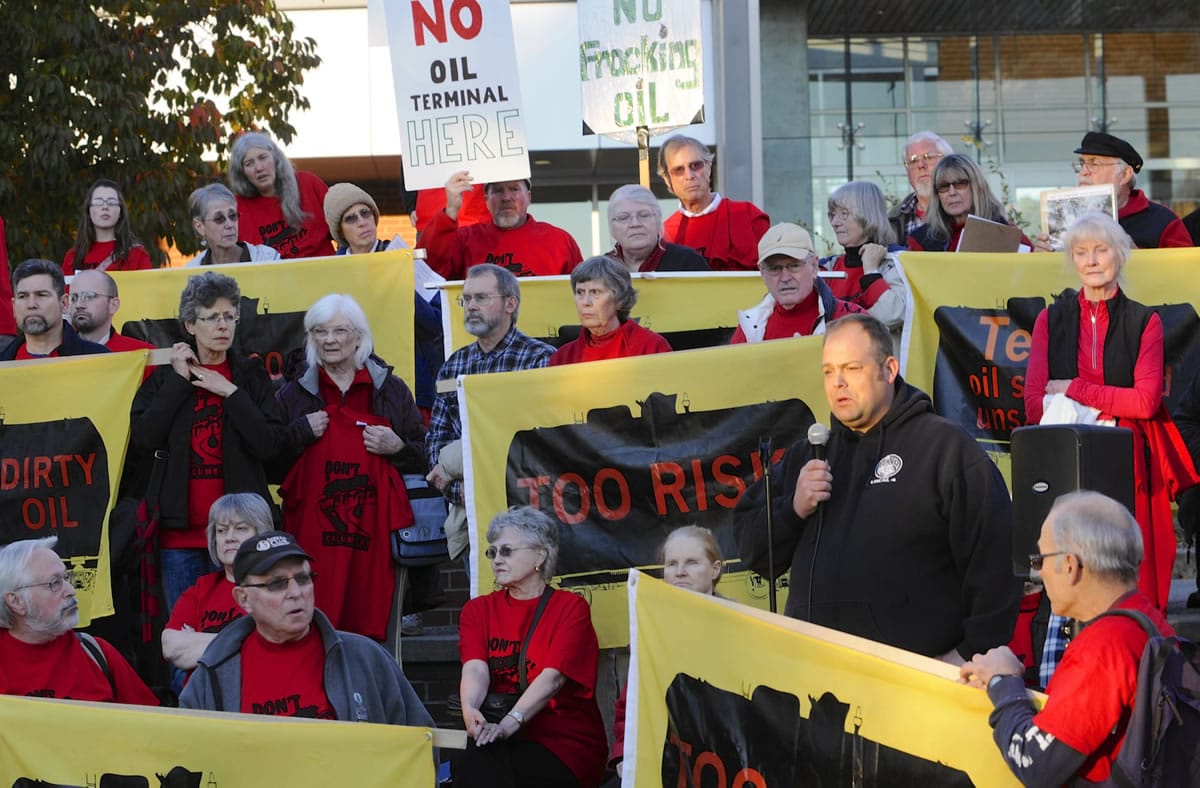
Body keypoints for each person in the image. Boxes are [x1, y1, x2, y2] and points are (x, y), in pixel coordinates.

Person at [735, 313, 1021, 662]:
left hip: (912, 688)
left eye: (852, 368)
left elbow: (997, 564)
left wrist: (967, 656)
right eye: (828, 371)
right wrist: (793, 510)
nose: (837, 382)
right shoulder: (809, 455)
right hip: (816, 681)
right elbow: (754, 554)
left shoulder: (945, 449)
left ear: (889, 369)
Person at [1024, 212, 1197, 612]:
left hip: (1128, 460)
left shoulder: (1144, 321)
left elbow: (1145, 402)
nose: (1091, 260)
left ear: (1119, 254)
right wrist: (1106, 401)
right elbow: (1034, 404)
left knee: (1130, 571)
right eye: (1080, 251)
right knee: (1073, 570)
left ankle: (1138, 650)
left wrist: (1073, 390)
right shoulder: (1050, 320)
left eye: (1100, 249)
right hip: (1067, 459)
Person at [960, 491, 1174, 785]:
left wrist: (1002, 682)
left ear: (1070, 565)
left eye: (1039, 559)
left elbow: (1035, 763)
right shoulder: (1152, 624)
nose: (1038, 574)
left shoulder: (1104, 646)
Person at [275, 294, 429, 641]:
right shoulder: (292, 394)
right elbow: (269, 459)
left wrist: (398, 448)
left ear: (359, 336)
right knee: (310, 633)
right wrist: (300, 433)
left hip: (373, 546)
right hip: (310, 547)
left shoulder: (389, 390)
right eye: (320, 332)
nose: (329, 340)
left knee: (370, 638)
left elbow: (425, 452)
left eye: (340, 331)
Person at [129, 271, 286, 612]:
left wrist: (230, 393)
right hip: (180, 538)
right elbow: (144, 438)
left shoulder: (249, 376)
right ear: (189, 325)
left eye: (229, 316)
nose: (223, 325)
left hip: (241, 536)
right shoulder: (166, 380)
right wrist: (180, 382)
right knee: (184, 636)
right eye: (212, 317)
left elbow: (271, 445)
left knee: (242, 633)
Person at [179, 531, 434, 727]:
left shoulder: (365, 658)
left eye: (303, 579)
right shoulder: (212, 676)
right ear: (243, 599)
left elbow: (418, 744)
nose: (296, 593)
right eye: (277, 584)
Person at [455, 507, 607, 788]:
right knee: (470, 764)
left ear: (540, 556)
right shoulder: (477, 610)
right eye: (492, 552)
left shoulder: (569, 607)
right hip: (496, 733)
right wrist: (470, 710)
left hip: (561, 740)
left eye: (507, 551)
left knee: (503, 770)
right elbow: (475, 668)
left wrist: (509, 725)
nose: (497, 559)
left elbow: (552, 678)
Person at [426, 265, 555, 525]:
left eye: (482, 298)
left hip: (529, 512)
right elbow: (435, 441)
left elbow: (545, 442)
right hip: (470, 515)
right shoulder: (453, 366)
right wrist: (463, 492)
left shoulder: (540, 359)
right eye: (467, 299)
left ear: (510, 303)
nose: (471, 306)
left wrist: (489, 490)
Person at [606, 526, 724, 785]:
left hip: (719, 761)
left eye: (691, 562)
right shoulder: (650, 628)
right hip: (659, 752)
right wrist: (625, 755)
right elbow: (630, 704)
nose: (680, 571)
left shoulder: (742, 628)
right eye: (672, 563)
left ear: (715, 569)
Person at [322, 181, 445, 422]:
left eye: (365, 212)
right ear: (340, 232)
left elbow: (436, 324)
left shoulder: (404, 257)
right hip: (353, 390)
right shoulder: (330, 272)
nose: (361, 221)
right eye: (350, 218)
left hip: (411, 387)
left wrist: (398, 282)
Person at [0, 537, 158, 704]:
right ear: (15, 601)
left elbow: (154, 722)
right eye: (54, 583)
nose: (70, 590)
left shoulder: (95, 652)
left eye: (67, 578)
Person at [161, 493, 274, 674]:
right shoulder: (201, 588)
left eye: (240, 528)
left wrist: (195, 640)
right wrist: (244, 643)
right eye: (221, 530)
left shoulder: (277, 586)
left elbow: (272, 650)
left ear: (262, 533)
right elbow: (171, 648)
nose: (229, 537)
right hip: (201, 698)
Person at [1035, 132, 1192, 250]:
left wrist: (1138, 256)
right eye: (1081, 164)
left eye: (1094, 163)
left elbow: (1186, 276)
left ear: (1124, 174)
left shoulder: (1162, 221)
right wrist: (1042, 260)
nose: (1083, 171)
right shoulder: (1065, 218)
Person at [419, 170, 583, 278]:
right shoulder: (465, 239)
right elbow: (426, 272)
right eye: (498, 191)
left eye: (514, 189)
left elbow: (583, 290)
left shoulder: (559, 241)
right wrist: (450, 211)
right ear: (486, 201)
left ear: (529, 197)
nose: (506, 198)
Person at [730, 223, 865, 344]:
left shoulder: (852, 321)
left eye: (794, 266)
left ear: (814, 266)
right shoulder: (749, 327)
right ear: (762, 273)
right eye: (774, 268)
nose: (785, 277)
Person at [658, 134, 770, 271]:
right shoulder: (664, 235)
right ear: (666, 179)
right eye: (679, 170)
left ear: (709, 167)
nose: (689, 176)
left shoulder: (747, 215)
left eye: (695, 165)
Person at [820, 182, 908, 337]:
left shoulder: (896, 263)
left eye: (844, 213)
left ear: (867, 214)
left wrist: (871, 272)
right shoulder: (829, 268)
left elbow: (892, 315)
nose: (835, 223)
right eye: (832, 215)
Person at [228, 131, 333, 259]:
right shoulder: (236, 207)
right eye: (249, 163)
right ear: (241, 172)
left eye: (263, 157)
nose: (259, 168)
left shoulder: (308, 183)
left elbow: (346, 228)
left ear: (276, 158)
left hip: (324, 271)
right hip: (271, 277)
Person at [548, 255, 671, 365]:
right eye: (580, 292)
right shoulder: (562, 358)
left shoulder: (652, 348)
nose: (585, 302)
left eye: (595, 292)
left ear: (619, 299)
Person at [906, 154, 1030, 252]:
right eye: (943, 186)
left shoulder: (1005, 233)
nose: (952, 192)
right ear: (937, 193)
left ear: (977, 187)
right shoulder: (921, 240)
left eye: (960, 184)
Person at [1, 258, 109, 360]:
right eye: (23, 296)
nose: (31, 304)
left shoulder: (98, 360)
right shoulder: (4, 363)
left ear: (64, 303)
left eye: (41, 295)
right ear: (13, 306)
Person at [604, 184, 708, 274]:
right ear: (612, 228)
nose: (635, 224)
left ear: (658, 221)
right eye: (624, 217)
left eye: (644, 215)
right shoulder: (601, 269)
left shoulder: (688, 262)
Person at [61, 178, 153, 275]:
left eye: (111, 202)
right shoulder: (72, 257)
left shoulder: (136, 254)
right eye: (98, 202)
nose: (105, 207)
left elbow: (146, 289)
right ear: (88, 210)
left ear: (120, 211)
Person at [185, 183, 281, 266]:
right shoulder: (193, 271)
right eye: (219, 219)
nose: (229, 224)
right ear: (199, 226)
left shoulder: (267, 258)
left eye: (233, 216)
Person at [889, 131, 954, 245]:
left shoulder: (969, 212)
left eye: (929, 157)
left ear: (948, 162)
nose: (920, 165)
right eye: (913, 161)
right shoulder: (892, 220)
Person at [68, 269, 154, 353]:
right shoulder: (57, 355)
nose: (78, 305)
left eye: (89, 296)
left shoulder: (142, 355)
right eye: (73, 298)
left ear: (113, 305)